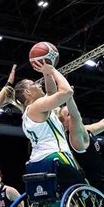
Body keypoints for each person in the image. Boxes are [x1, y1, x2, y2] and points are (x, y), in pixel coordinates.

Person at [13, 60, 85, 194]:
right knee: (82, 194)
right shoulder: (37, 106)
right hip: (55, 156)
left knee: (58, 198)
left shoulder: (29, 112)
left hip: (36, 163)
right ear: (28, 92)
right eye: (34, 83)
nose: (38, 84)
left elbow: (51, 93)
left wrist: (46, 73)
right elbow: (67, 91)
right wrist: (52, 69)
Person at [56, 100, 104, 199]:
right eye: (69, 114)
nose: (74, 113)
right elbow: (75, 115)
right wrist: (69, 96)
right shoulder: (75, 136)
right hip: (99, 187)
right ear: (64, 124)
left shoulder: (84, 131)